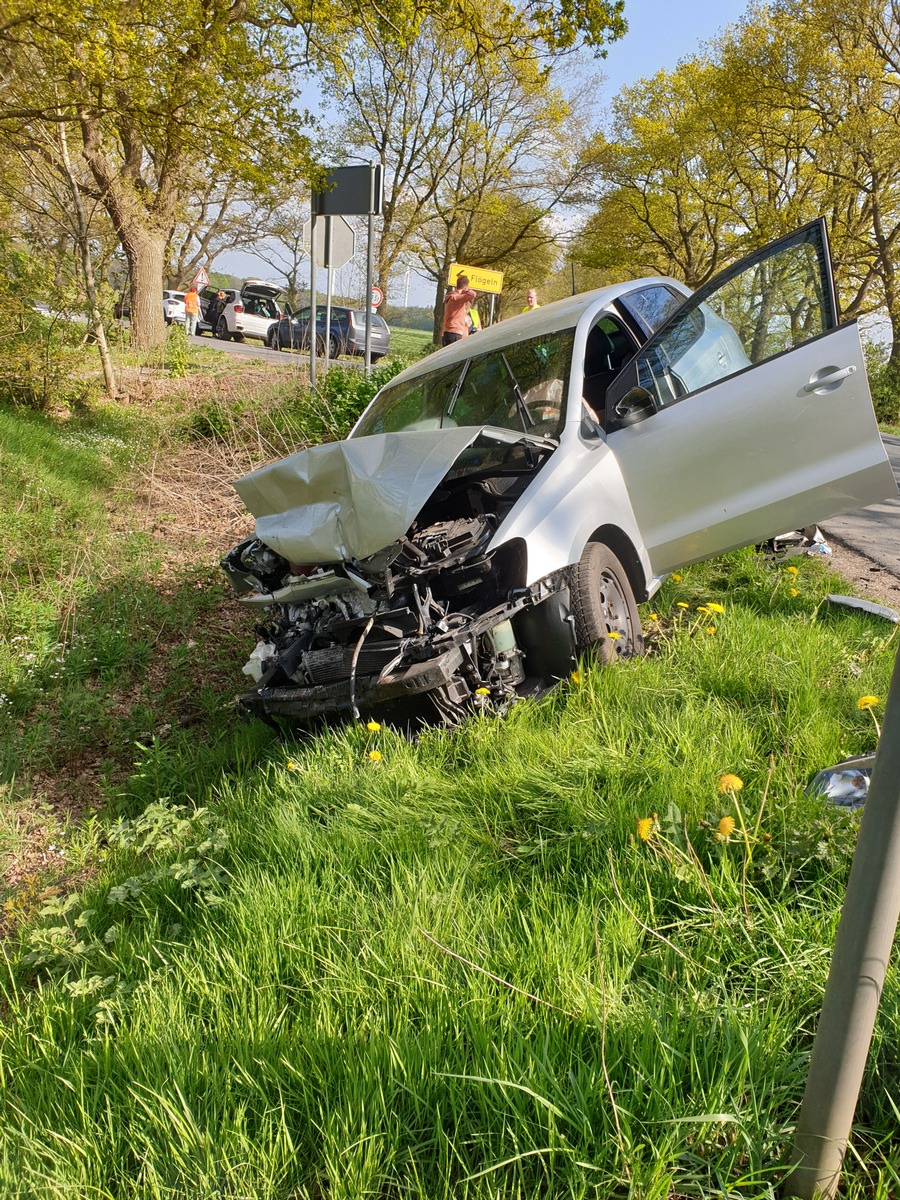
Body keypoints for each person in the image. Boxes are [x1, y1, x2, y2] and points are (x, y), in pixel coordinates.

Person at [442, 274, 477, 346]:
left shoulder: (451, 297)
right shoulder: (456, 299)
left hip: (448, 332)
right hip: (454, 332)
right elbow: (472, 294)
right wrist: (466, 290)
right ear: (465, 287)